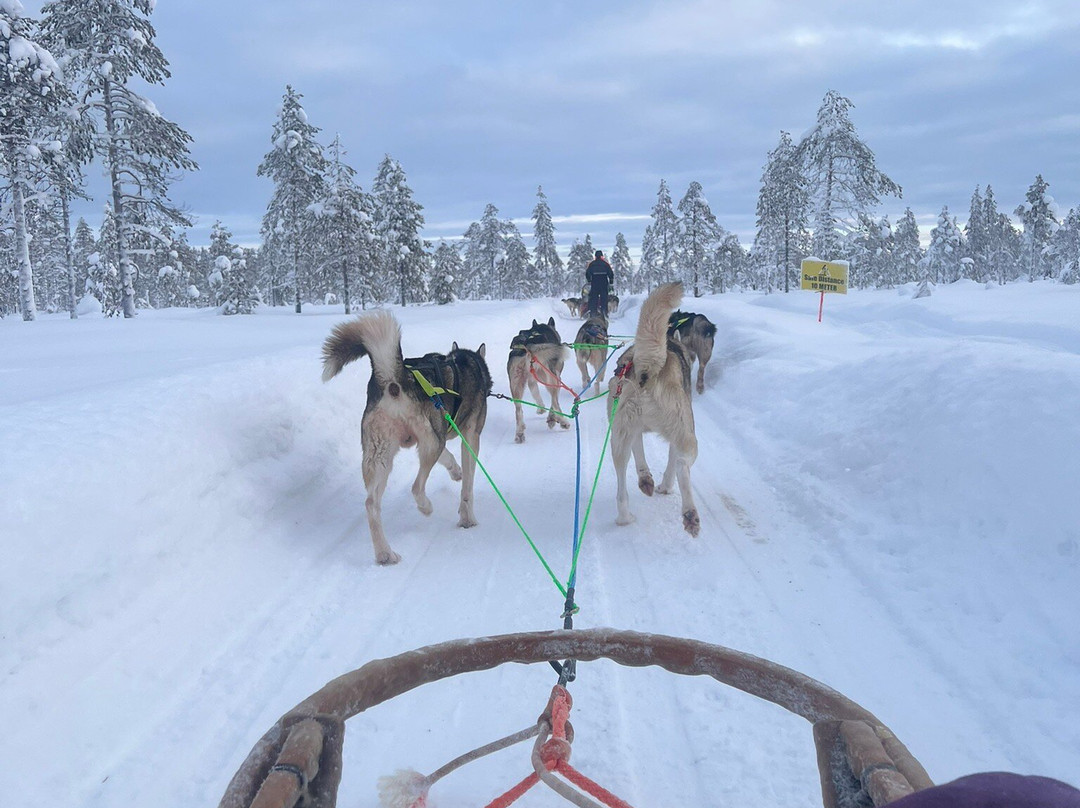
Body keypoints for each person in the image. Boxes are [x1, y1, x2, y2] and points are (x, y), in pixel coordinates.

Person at [585, 250, 613, 317]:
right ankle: (604, 313)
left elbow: (587, 274)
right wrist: (611, 281)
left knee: (594, 299)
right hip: (604, 283)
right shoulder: (605, 264)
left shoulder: (592, 264)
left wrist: (589, 280)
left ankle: (593, 313)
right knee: (604, 299)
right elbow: (610, 273)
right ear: (601, 256)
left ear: (595, 256)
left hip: (595, 283)